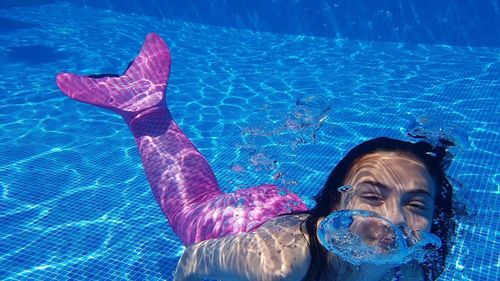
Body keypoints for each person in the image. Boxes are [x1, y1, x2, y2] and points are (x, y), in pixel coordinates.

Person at [56, 33, 456, 281]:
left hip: (285, 210)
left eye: (416, 203)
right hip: (246, 226)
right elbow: (194, 261)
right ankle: (143, 106)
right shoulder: (279, 267)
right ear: (338, 200)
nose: (395, 218)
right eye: (372, 195)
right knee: (191, 211)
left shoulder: (414, 268)